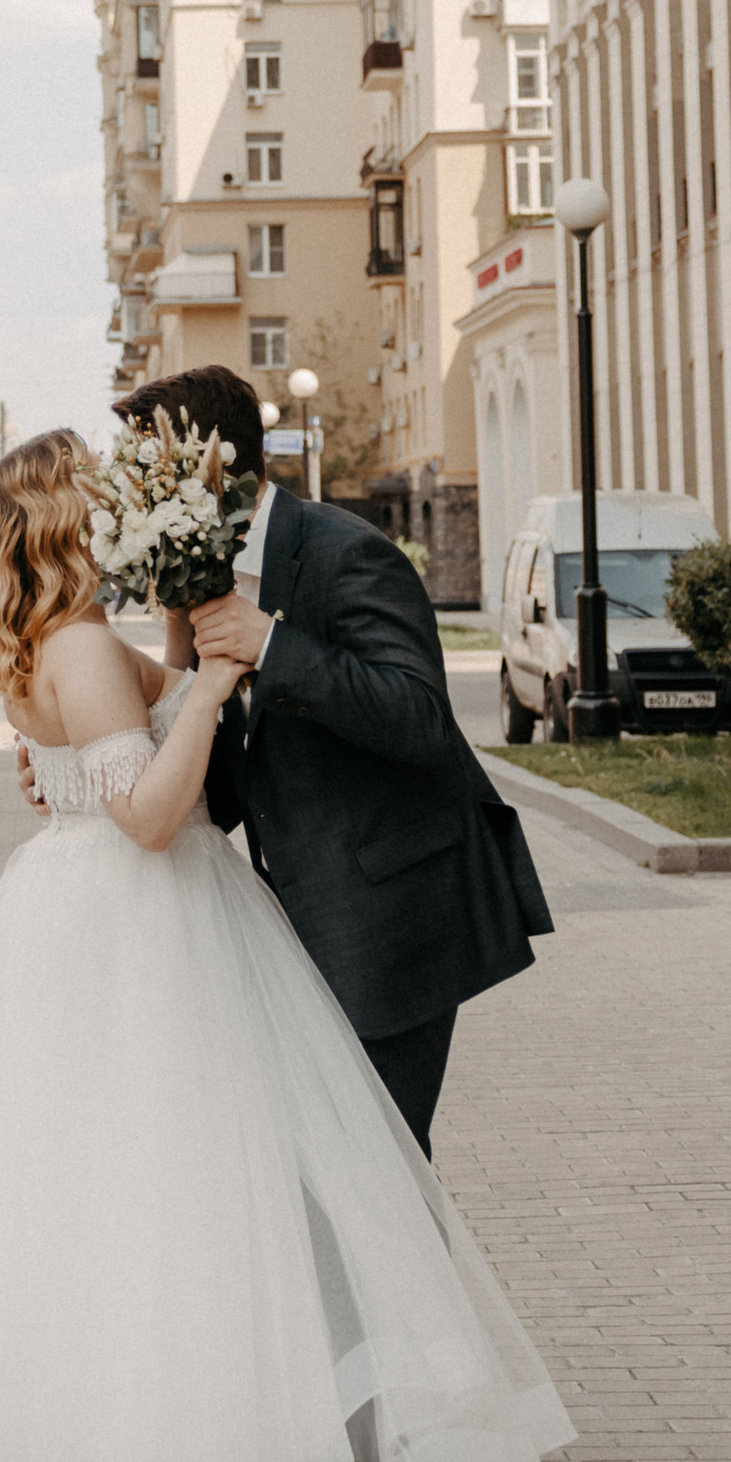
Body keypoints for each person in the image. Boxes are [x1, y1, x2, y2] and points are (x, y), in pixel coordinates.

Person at [0, 430, 572, 1462]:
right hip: (143, 922)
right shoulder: (80, 640)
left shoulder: (64, 634)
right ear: (67, 517)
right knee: (184, 1199)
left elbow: (131, 743)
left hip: (116, 919)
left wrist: (194, 672)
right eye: (104, 494)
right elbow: (144, 811)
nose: (121, 507)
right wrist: (220, 685)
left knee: (167, 1201)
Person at [97, 363, 552, 1157]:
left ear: (207, 467)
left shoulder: (349, 555)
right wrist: (93, 773)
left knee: (383, 1178)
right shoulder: (200, 577)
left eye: (142, 470)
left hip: (395, 915)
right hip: (297, 926)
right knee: (326, 1180)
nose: (129, 493)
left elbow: (418, 719)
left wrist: (272, 644)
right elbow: (224, 793)